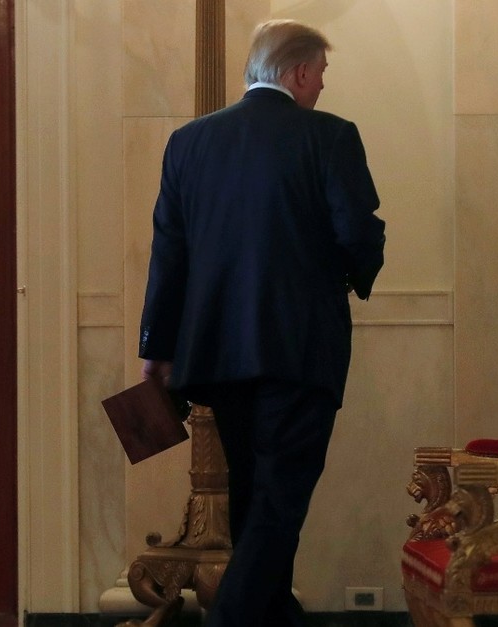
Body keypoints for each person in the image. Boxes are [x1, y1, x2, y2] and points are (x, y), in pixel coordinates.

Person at [137, 18, 385, 627]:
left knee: (255, 496)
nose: (322, 85)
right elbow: (358, 232)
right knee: (280, 502)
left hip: (215, 357)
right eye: (320, 73)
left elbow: (169, 253)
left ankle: (275, 616)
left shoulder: (188, 142)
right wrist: (349, 274)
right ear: (298, 72)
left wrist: (156, 347)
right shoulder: (330, 137)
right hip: (299, 351)